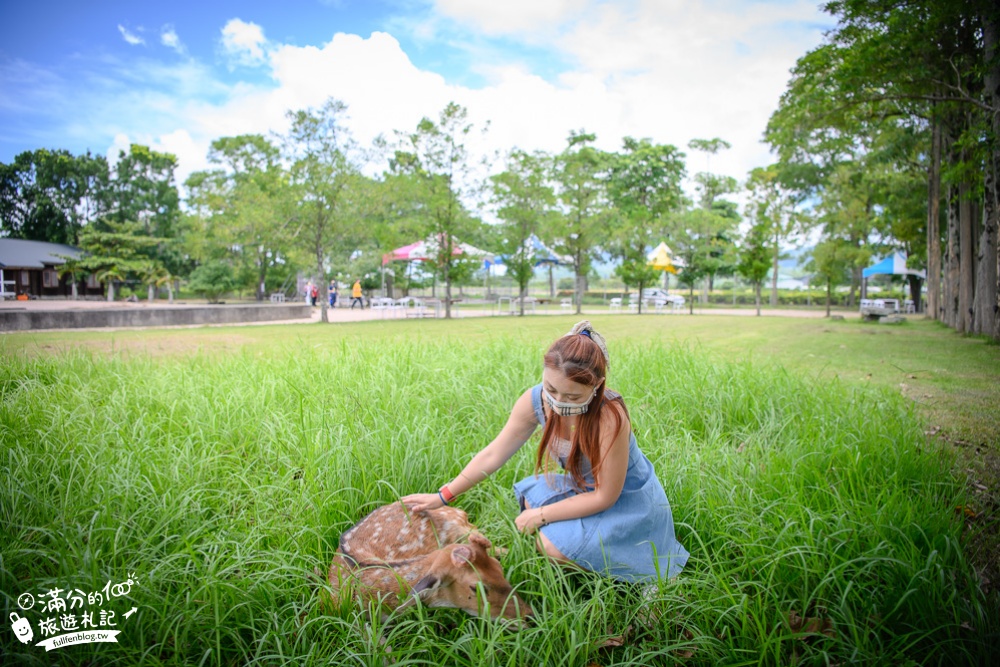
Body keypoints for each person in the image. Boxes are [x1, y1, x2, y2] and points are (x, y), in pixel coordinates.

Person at [402, 321, 689, 583]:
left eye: (573, 396)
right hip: (583, 488)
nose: (559, 401)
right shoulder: (536, 400)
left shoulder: (609, 417)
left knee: (549, 546)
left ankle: (644, 576)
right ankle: (591, 549)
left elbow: (606, 496)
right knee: (530, 501)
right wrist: (444, 496)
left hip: (626, 500)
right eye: (552, 388)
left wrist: (542, 515)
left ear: (597, 385)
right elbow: (494, 454)